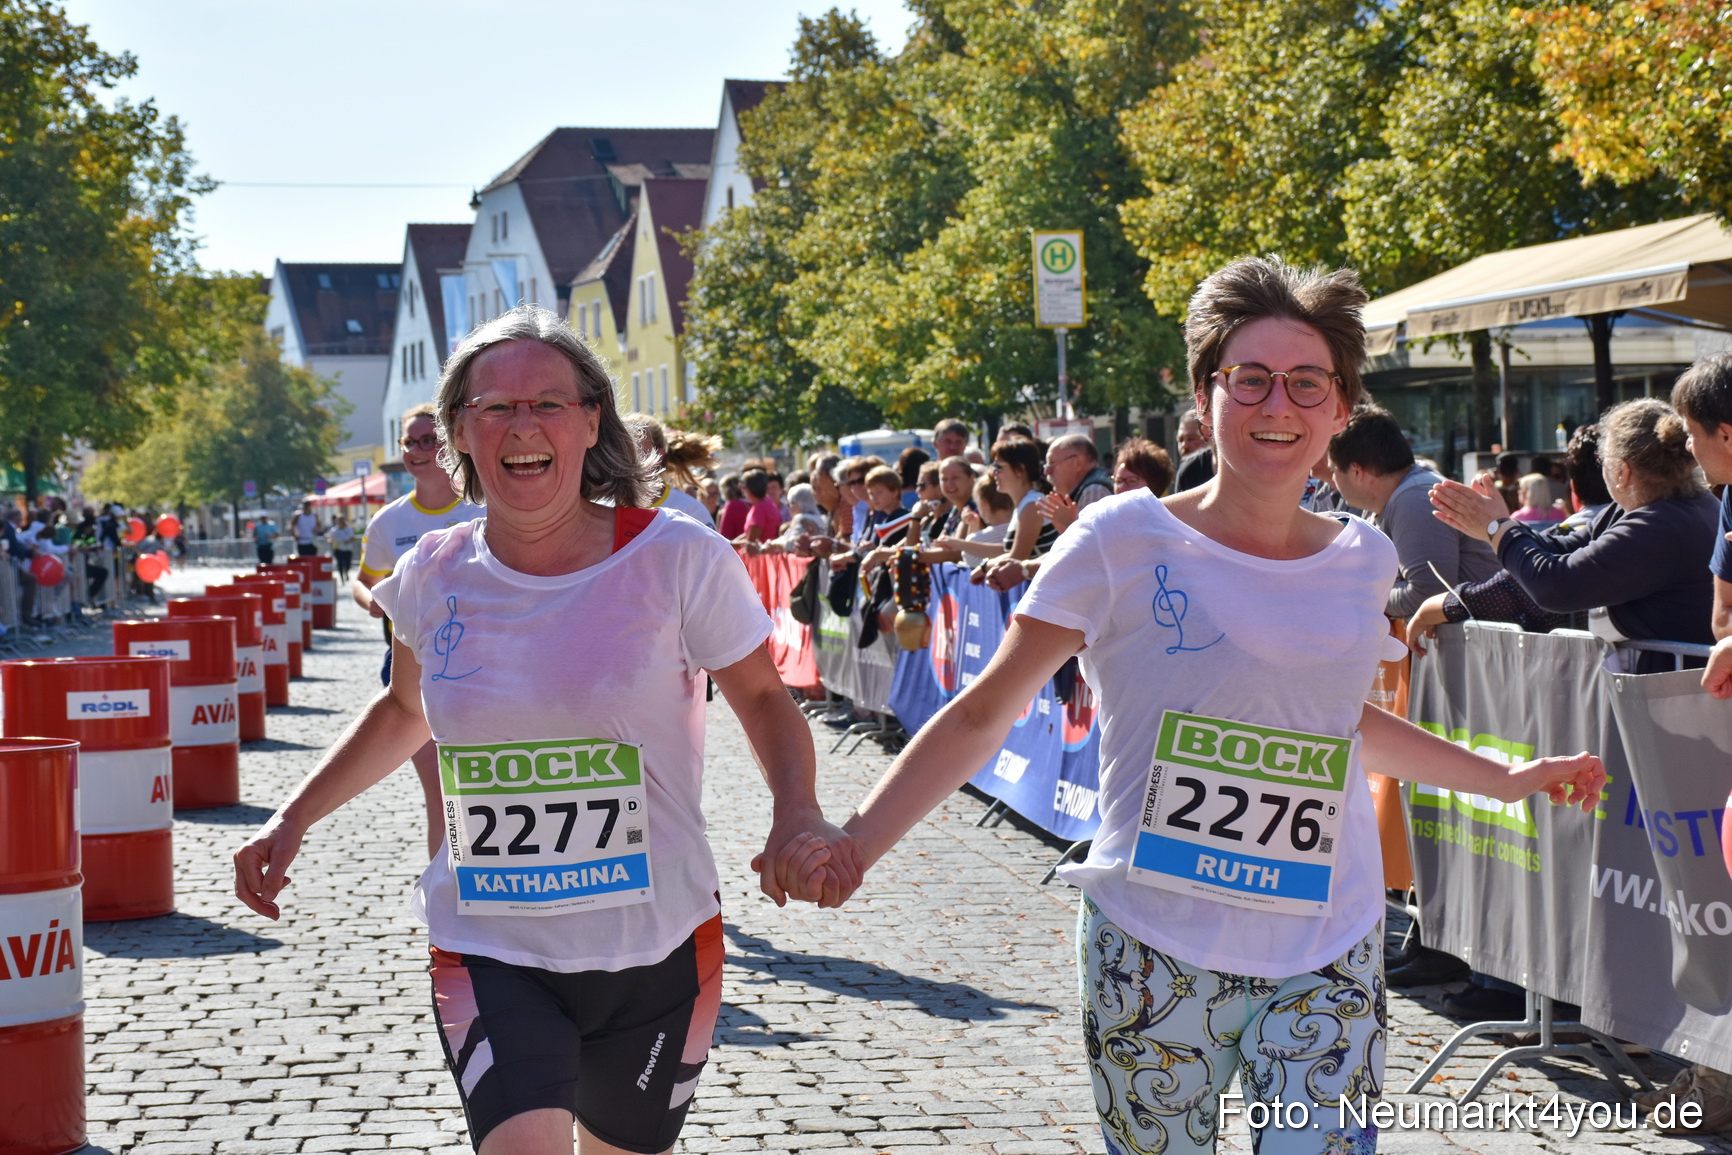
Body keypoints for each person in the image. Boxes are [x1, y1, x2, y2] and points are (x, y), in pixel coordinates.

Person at [779, 257, 1604, 1155]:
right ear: (1206, 393)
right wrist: (856, 839)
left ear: (1339, 408)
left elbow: (1333, 722)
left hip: (1327, 946)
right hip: (1155, 948)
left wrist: (1503, 775)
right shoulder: (1120, 539)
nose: (1276, 406)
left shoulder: (1362, 558)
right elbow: (986, 710)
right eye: (1249, 380)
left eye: (1304, 384)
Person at [236, 305, 853, 1155]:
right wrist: (292, 816)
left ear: (591, 418)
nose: (522, 426)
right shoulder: (432, 570)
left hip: (657, 944)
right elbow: (403, 710)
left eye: (548, 404)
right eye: (496, 407)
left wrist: (796, 809)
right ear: (461, 429)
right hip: (490, 944)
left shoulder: (676, 556)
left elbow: (761, 695)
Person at [1430, 398, 1719, 673]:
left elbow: (1555, 584)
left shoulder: (1660, 524)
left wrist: (1497, 529)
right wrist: (1495, 525)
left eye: (1602, 461)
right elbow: (1559, 548)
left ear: (1622, 472)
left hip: (1683, 699)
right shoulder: (1664, 507)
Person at [352, 402, 485, 857]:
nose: (419, 450)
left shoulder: (482, 505)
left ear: (448, 444)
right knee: (441, 790)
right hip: (411, 661)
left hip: (485, 656)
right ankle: (447, 899)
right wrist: (372, 600)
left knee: (479, 786)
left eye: (429, 440)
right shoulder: (389, 521)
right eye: (411, 442)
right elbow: (364, 580)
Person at [1328, 405, 1501, 620]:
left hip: (1477, 645)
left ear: (1356, 471)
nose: (1332, 482)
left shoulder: (1415, 499)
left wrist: (1358, 596)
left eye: (1333, 469)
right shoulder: (1400, 495)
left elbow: (1428, 596)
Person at [973, 436, 1054, 590]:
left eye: (998, 467)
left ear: (1020, 470)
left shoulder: (1032, 504)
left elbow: (1017, 558)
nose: (992, 473)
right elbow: (1010, 554)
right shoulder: (1026, 503)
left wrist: (984, 566)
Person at [623, 413, 715, 525]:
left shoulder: (690, 511)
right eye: (620, 450)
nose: (626, 459)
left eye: (638, 452)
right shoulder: (602, 506)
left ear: (658, 456)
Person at [1035, 433, 1115, 534]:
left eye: (1052, 464)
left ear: (1077, 463)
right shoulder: (1086, 488)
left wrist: (1070, 524)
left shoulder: (1094, 490)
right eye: (1046, 466)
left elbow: (1093, 544)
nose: (1046, 472)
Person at [1172, 407, 1215, 491]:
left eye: (1191, 439)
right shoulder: (1186, 472)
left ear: (1207, 435)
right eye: (1180, 440)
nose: (1184, 445)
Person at [327, 515, 357, 583]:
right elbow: (330, 539)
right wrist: (332, 541)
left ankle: (346, 573)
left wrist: (348, 541)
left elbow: (353, 537)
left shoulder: (348, 529)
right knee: (340, 564)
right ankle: (341, 577)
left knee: (348, 564)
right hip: (338, 549)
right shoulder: (334, 530)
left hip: (347, 549)